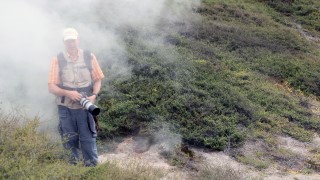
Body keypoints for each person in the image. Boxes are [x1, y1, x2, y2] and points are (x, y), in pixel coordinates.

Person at [48, 28, 104, 166]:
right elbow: (51, 87)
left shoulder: (89, 56)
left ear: (78, 40)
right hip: (66, 108)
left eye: (73, 40)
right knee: (69, 140)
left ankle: (92, 170)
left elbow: (97, 79)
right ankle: (73, 171)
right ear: (64, 42)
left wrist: (94, 95)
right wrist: (68, 93)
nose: (71, 43)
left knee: (88, 139)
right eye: (68, 41)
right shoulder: (57, 59)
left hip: (85, 108)